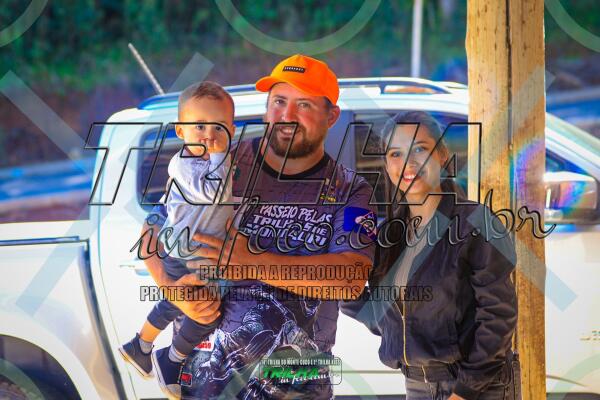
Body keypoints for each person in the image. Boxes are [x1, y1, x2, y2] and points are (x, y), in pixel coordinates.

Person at [139, 54, 376, 399]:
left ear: (332, 116)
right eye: (279, 101)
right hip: (206, 383)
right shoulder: (220, 163)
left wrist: (253, 263)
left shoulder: (351, 189)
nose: (287, 115)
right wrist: (170, 288)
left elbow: (351, 278)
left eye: (304, 104)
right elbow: (151, 231)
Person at [341, 111, 518, 400]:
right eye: (395, 154)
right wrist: (396, 329)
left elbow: (498, 315)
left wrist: (465, 391)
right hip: (417, 386)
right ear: (387, 165)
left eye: (420, 149)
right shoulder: (387, 237)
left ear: (443, 155)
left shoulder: (475, 222)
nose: (408, 163)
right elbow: (361, 303)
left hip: (474, 387)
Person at [119, 81, 235, 399]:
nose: (209, 134)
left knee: (189, 303)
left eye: (219, 127)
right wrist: (222, 155)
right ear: (180, 131)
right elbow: (215, 193)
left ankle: (142, 345)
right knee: (206, 309)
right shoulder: (186, 165)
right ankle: (169, 358)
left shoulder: (213, 162)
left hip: (195, 252)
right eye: (199, 126)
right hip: (188, 252)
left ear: (232, 130)